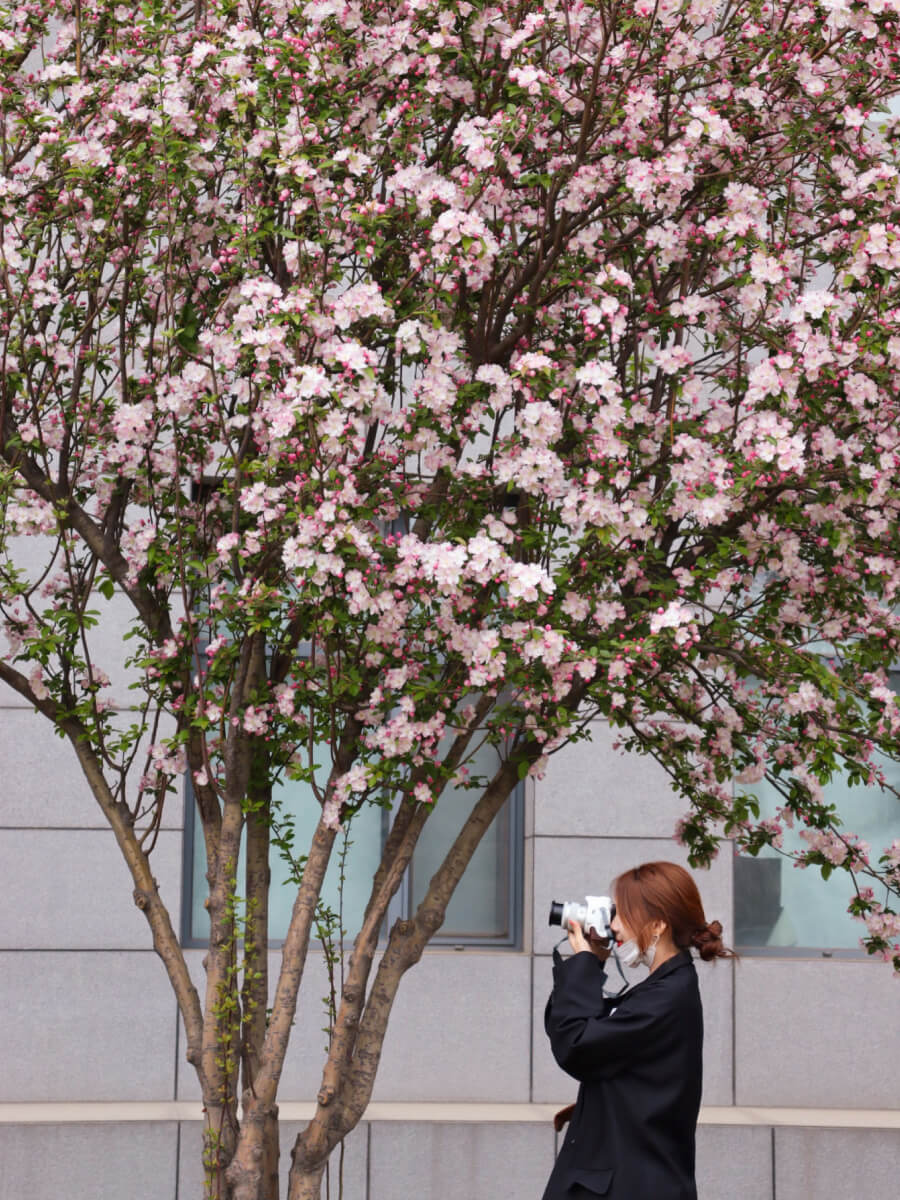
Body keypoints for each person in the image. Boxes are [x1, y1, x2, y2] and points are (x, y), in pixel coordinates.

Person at [541, 861, 734, 1200]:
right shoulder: (662, 989)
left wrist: (585, 963)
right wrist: (594, 960)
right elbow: (577, 1028)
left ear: (657, 924)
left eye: (621, 914)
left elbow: (576, 1045)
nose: (613, 925)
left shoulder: (666, 998)